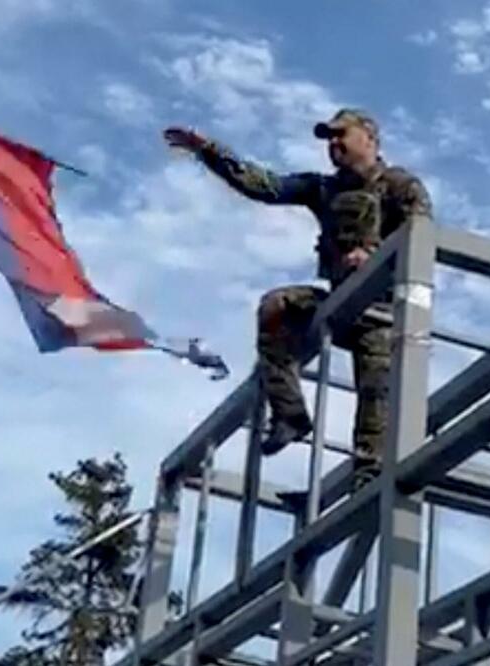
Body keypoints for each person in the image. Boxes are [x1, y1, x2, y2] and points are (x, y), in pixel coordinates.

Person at [164, 109, 432, 486]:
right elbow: (265, 186)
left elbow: (422, 238)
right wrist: (208, 150)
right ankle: (290, 414)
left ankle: (368, 478)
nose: (333, 144)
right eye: (329, 138)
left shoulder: (400, 186)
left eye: (341, 135)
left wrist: (377, 256)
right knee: (277, 307)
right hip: (341, 303)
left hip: (384, 312)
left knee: (375, 396)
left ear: (370, 139)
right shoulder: (322, 188)